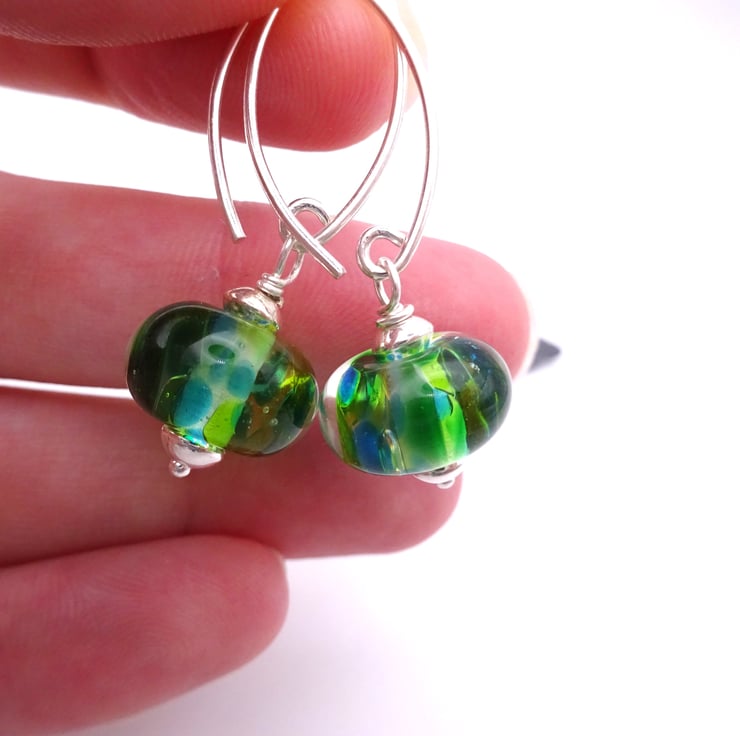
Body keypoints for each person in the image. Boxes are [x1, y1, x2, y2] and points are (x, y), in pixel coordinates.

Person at [0, 1, 531, 733]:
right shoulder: (267, 373)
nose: (196, 432)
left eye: (195, 434)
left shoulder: (277, 374)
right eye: (201, 435)